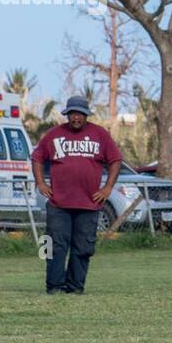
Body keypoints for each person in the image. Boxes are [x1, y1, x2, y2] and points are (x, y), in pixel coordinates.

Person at [30, 95, 122, 295]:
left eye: (80, 114)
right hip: (58, 203)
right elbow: (37, 157)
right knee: (53, 246)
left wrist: (107, 188)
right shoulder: (54, 135)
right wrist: (40, 183)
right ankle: (54, 286)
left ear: (86, 115)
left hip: (89, 203)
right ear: (67, 114)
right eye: (72, 114)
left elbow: (115, 160)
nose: (76, 118)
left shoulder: (100, 134)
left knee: (83, 248)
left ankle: (75, 287)